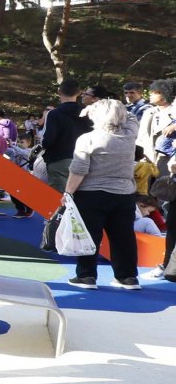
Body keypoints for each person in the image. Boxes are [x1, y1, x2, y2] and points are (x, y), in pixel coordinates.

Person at [65, 99, 139, 290]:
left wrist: (68, 192)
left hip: (91, 193)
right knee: (123, 237)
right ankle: (128, 277)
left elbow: (79, 169)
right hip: (124, 194)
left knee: (90, 236)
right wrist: (116, 108)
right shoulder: (130, 135)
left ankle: (86, 275)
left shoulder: (87, 138)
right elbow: (132, 118)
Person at [40, 79, 93, 250]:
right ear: (79, 93)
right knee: (81, 200)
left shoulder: (54, 114)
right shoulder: (87, 113)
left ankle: (54, 239)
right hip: (84, 159)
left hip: (60, 159)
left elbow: (48, 140)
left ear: (59, 92)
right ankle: (81, 237)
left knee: (60, 200)